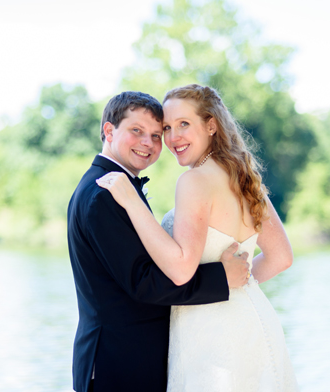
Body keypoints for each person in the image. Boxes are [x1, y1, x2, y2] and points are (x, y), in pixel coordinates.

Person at [97, 84, 297, 391]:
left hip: (211, 333)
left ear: (211, 125)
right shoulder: (245, 178)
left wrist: (131, 201)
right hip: (253, 321)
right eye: (167, 128)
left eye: (184, 124)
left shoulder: (194, 181)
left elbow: (181, 269)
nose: (173, 137)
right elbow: (282, 257)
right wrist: (235, 283)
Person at [67, 91, 252, 392]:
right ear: (109, 130)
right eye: (136, 131)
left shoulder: (118, 186)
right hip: (119, 365)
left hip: (132, 361)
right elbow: (143, 281)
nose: (148, 143)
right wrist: (221, 277)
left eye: (156, 134)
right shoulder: (103, 195)